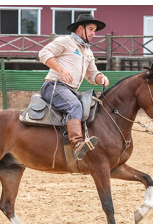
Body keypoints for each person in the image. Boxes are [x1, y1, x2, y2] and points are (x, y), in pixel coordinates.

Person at [38, 14, 110, 161]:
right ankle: (77, 144)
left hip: (69, 90)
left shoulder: (88, 52)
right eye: (90, 29)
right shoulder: (65, 41)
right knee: (74, 105)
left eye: (95, 30)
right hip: (54, 86)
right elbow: (43, 53)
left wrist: (101, 77)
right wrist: (61, 70)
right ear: (79, 28)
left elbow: (92, 75)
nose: (93, 34)